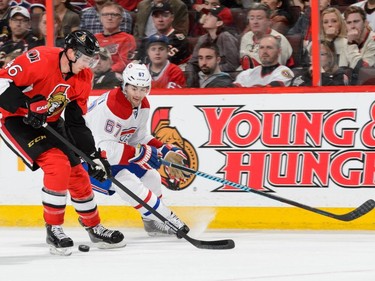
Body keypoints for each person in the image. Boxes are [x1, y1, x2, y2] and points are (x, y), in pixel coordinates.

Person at [0, 30, 126, 256]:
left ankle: (94, 227)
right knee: (57, 165)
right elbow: (1, 84)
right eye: (86, 58)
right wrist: (27, 105)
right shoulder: (38, 59)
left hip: (50, 119)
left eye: (92, 59)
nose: (89, 64)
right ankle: (54, 229)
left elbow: (76, 122)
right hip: (15, 119)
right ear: (70, 53)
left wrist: (92, 155)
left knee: (78, 171)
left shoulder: (84, 77)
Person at [84, 62, 190, 237]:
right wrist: (141, 154)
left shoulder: (142, 105)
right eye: (134, 89)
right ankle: (167, 218)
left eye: (144, 89)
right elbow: (105, 148)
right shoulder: (113, 106)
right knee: (128, 182)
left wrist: (164, 150)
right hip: (89, 159)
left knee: (152, 176)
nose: (139, 94)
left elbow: (137, 137)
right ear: (124, 86)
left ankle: (153, 223)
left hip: (112, 154)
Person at [185, 7, 239, 87]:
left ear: (219, 23)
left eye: (210, 16)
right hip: (204, 75)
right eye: (207, 15)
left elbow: (232, 65)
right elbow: (193, 62)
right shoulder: (202, 39)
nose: (206, 17)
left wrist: (210, 68)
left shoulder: (226, 37)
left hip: (222, 79)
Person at [135, 2, 191, 68]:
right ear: (153, 19)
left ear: (172, 17)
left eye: (165, 16)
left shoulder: (179, 40)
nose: (160, 20)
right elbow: (138, 61)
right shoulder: (147, 41)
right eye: (156, 16)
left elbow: (162, 64)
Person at [240, 3, 293, 70]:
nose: (255, 22)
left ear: (269, 21)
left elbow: (275, 69)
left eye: (259, 18)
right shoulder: (246, 37)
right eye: (252, 18)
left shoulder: (279, 39)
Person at [95, 1, 136, 74]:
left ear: (121, 19)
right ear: (100, 18)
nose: (109, 18)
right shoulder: (94, 38)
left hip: (115, 77)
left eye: (114, 15)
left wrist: (104, 72)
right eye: (105, 14)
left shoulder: (127, 38)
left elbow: (124, 63)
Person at [342, 5, 375, 84]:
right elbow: (342, 69)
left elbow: (363, 71)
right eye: (349, 23)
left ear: (365, 23)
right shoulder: (347, 41)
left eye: (356, 21)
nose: (352, 26)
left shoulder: (373, 40)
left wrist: (351, 44)